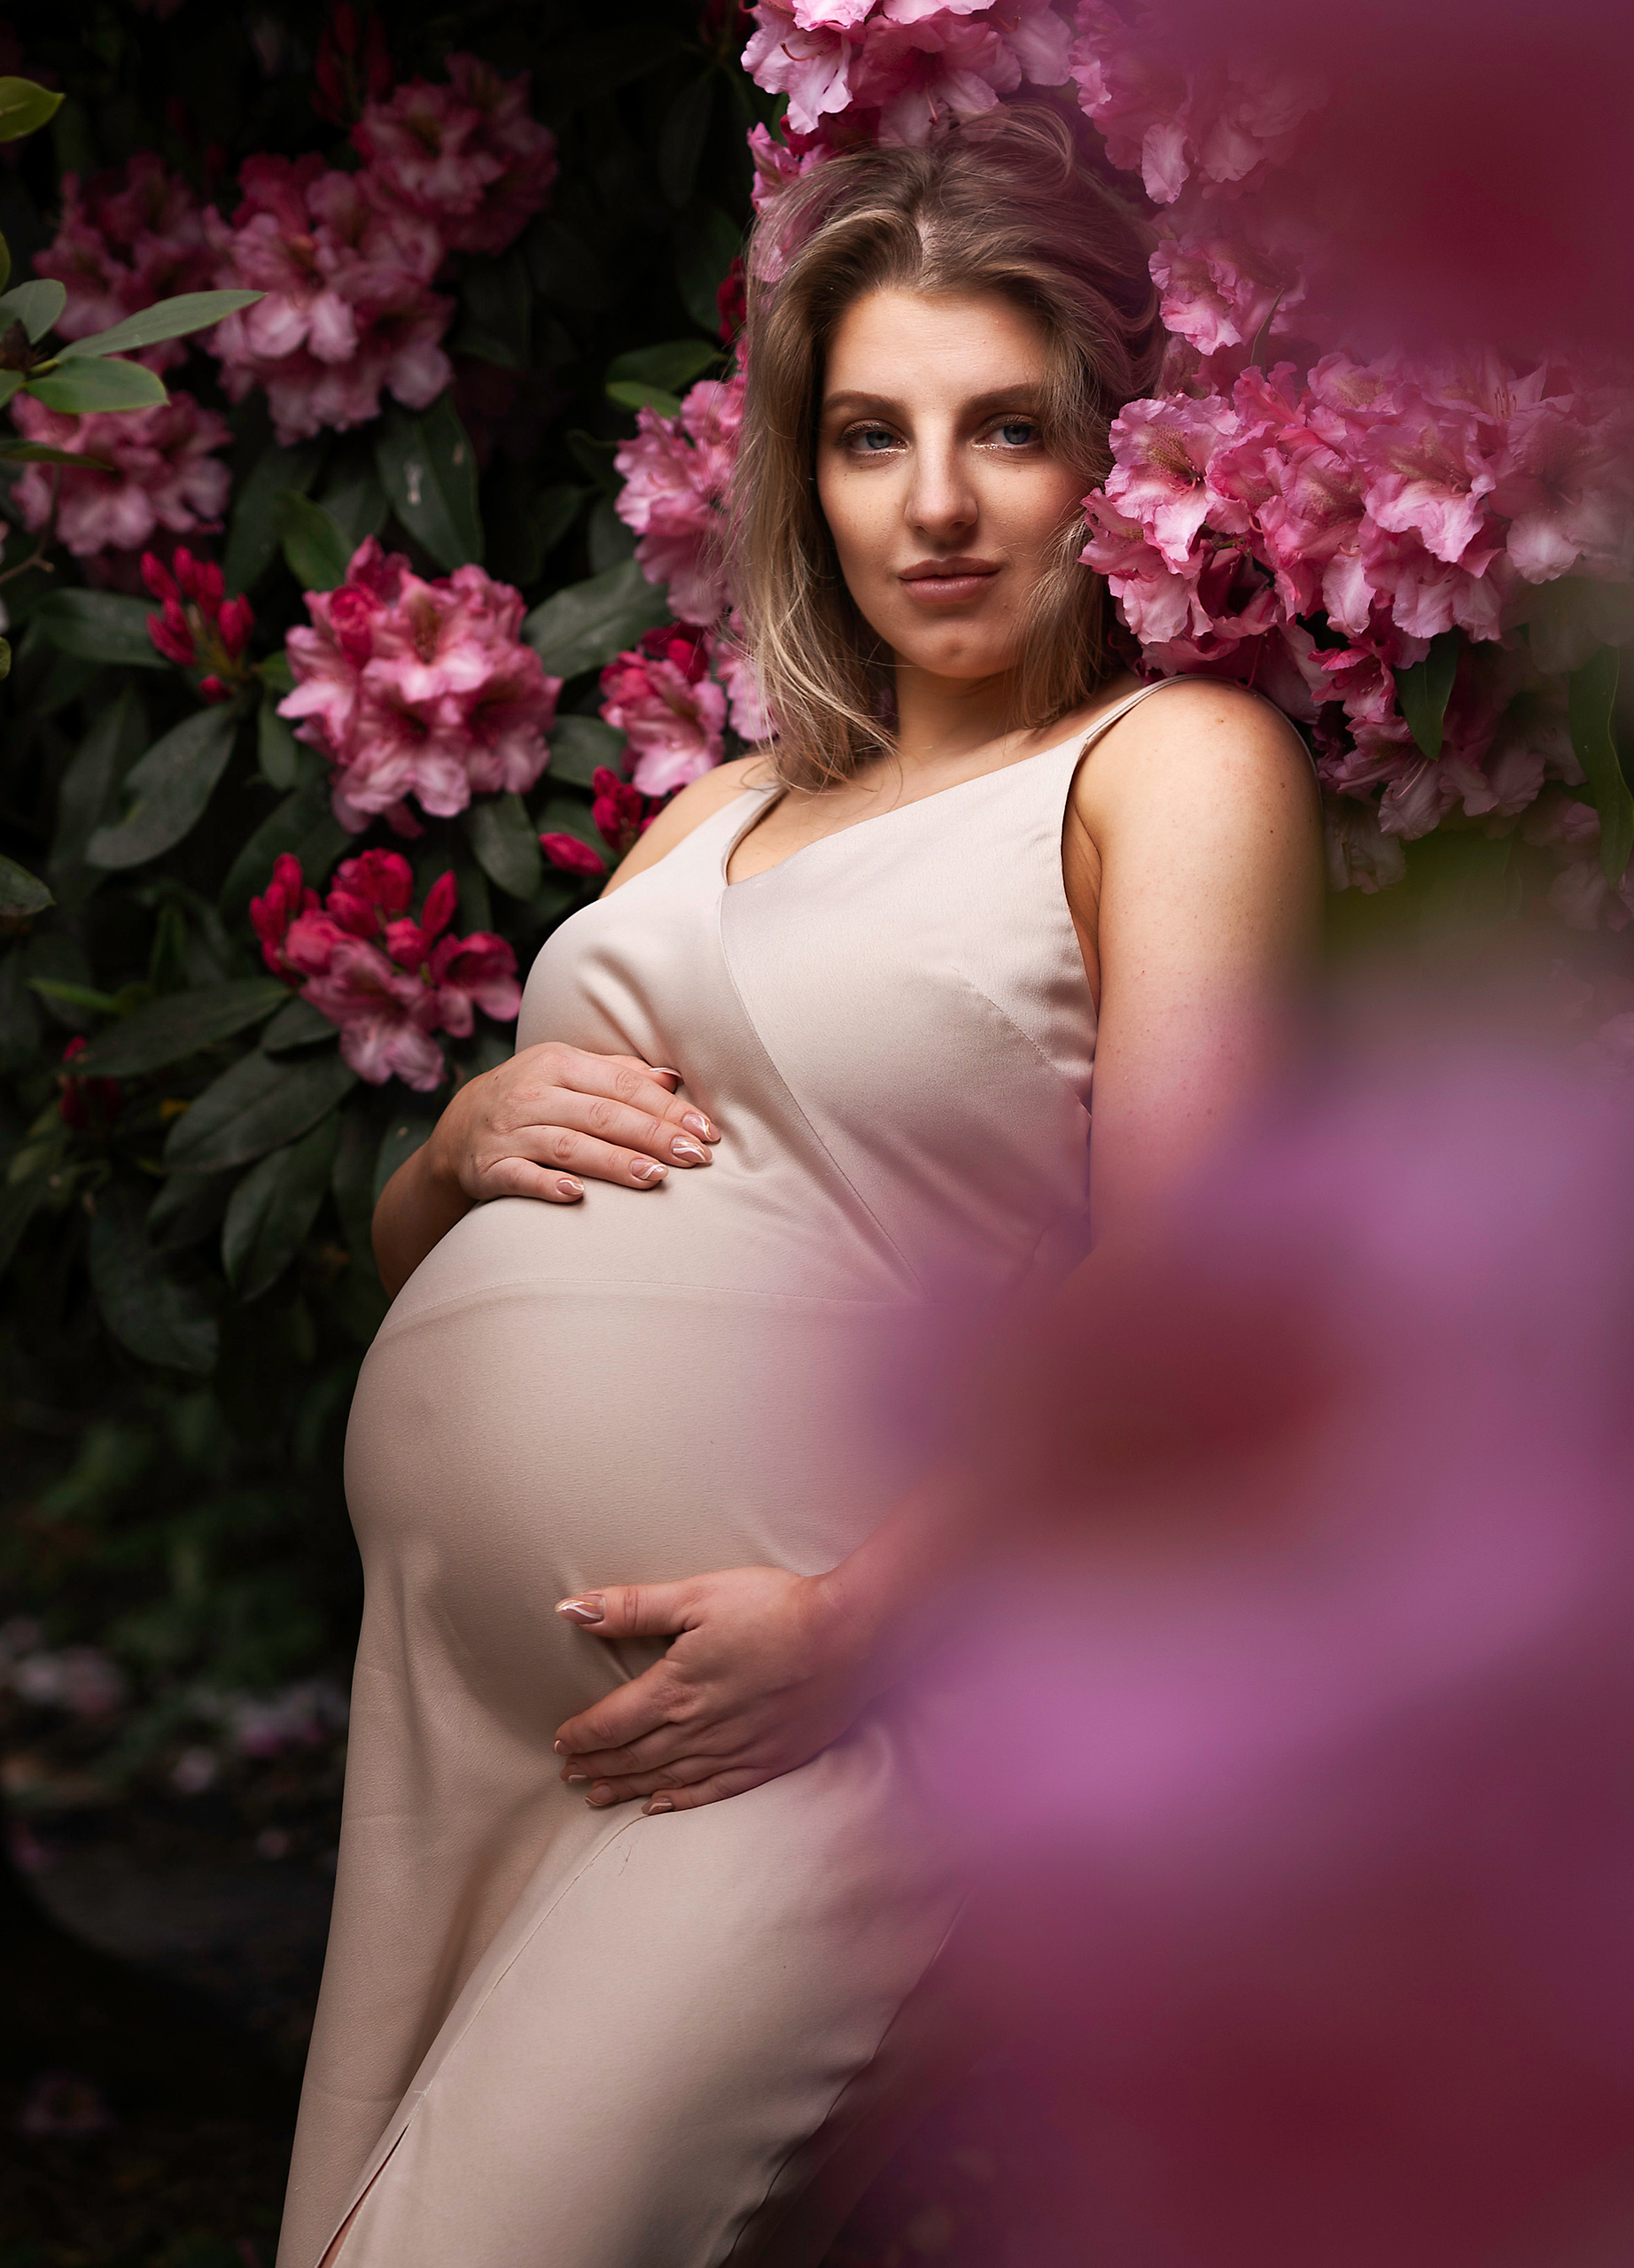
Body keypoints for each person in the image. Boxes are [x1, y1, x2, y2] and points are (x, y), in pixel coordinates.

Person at [278, 105, 1321, 2268]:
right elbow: (425, 1247)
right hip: (473, 1693)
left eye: (1005, 429)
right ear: (804, 471)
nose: (933, 505)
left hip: (844, 1692)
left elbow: (1186, 1283)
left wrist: (863, 1621)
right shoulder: (724, 807)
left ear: (1109, 457)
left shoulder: (1162, 766)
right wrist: (456, 1138)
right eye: (868, 436)